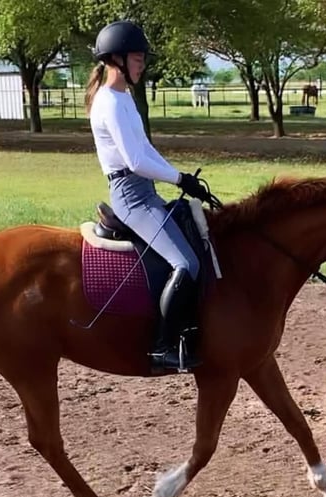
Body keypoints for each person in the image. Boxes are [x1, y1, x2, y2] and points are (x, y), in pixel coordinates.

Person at [84, 20, 207, 374]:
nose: (142, 64)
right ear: (117, 59)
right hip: (131, 196)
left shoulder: (124, 98)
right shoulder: (109, 102)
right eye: (137, 58)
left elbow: (147, 149)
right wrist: (178, 177)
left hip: (146, 191)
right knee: (187, 264)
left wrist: (181, 180)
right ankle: (161, 347)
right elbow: (135, 162)